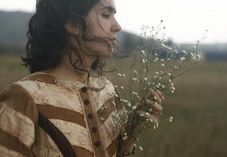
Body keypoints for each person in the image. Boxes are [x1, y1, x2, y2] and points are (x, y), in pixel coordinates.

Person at [0, 0, 164, 156]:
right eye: (106, 15)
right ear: (73, 24)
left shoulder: (107, 91)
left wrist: (134, 129)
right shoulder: (24, 97)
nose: (117, 26)